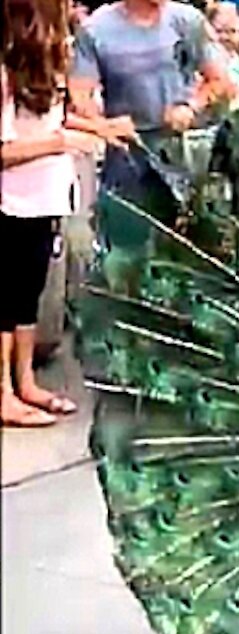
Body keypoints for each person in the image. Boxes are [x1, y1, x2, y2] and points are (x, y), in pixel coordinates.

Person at [1, 0, 124, 427]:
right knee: (7, 298)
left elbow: (52, 117)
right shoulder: (4, 72)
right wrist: (60, 144)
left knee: (27, 294)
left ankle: (26, 382)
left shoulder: (41, 68)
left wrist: (102, 128)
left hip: (42, 200)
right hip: (10, 203)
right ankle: (4, 395)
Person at [69, 0, 231, 254]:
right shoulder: (96, 29)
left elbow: (219, 80)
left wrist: (191, 106)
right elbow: (79, 95)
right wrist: (104, 125)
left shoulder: (187, 21)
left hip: (183, 154)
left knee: (188, 252)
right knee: (127, 250)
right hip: (128, 155)